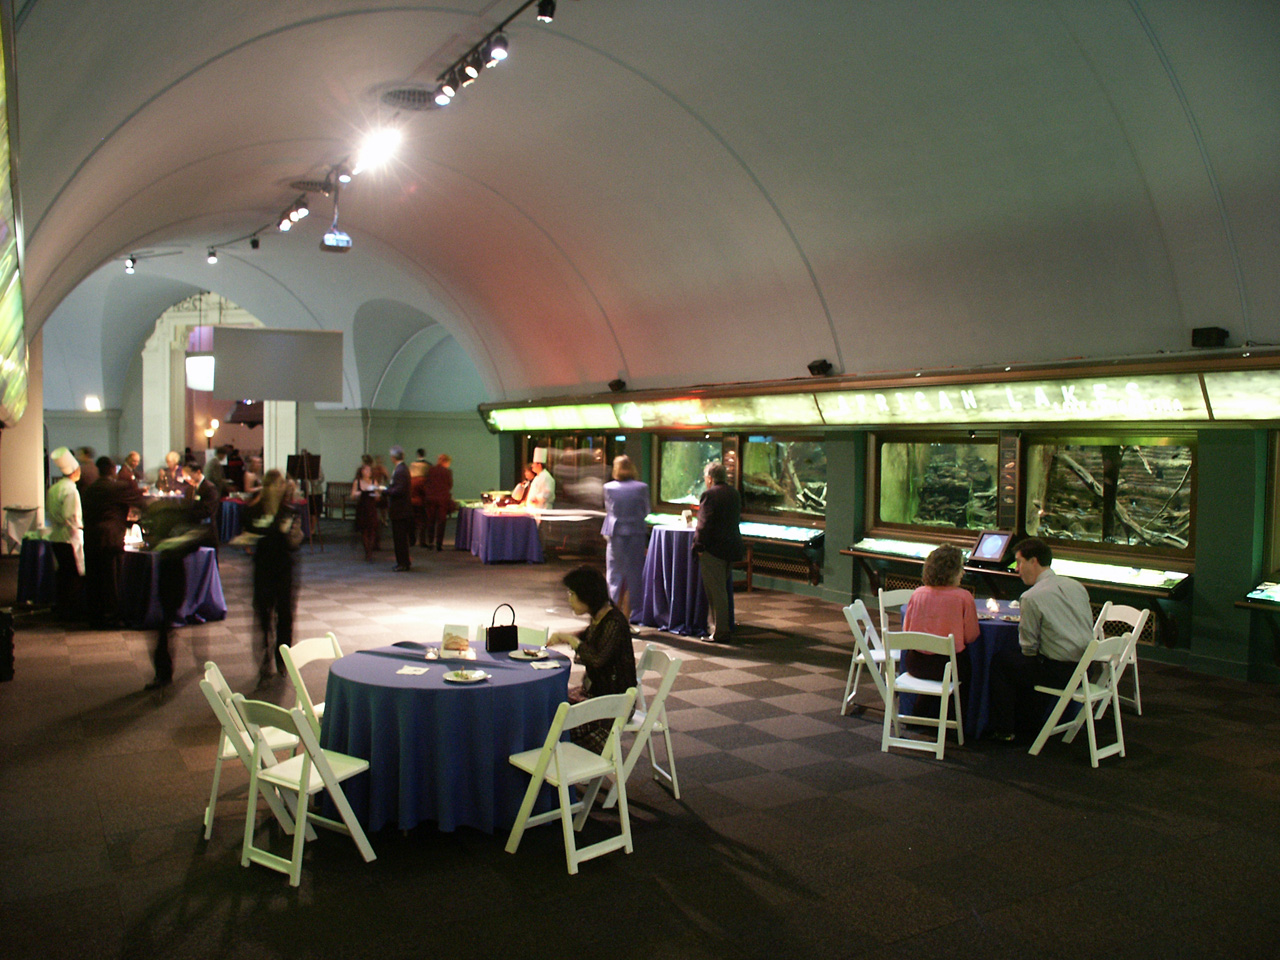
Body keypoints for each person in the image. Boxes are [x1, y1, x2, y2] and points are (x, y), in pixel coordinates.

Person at [986, 538, 1095, 741]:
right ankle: (1030, 722)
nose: (1017, 569)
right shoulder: (1076, 586)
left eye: (1019, 562)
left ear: (1033, 561)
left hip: (1060, 672)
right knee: (1026, 663)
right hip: (1087, 669)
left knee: (1002, 662)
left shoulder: (1031, 597)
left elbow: (1028, 648)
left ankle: (1005, 729)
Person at [547, 565, 638, 753]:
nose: (569, 599)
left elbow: (597, 659)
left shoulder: (614, 622)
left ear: (588, 596)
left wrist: (572, 641)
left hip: (614, 704)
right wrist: (567, 637)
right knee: (552, 703)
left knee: (555, 719)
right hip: (598, 694)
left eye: (572, 594)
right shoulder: (601, 616)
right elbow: (591, 635)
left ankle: (560, 763)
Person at [900, 543, 980, 716]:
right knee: (969, 670)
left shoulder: (917, 594)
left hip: (915, 664)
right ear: (953, 571)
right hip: (949, 667)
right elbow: (971, 636)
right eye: (961, 568)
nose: (963, 572)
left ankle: (920, 714)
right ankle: (958, 719)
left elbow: (907, 631)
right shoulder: (964, 598)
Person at [246, 470, 302, 681]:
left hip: (284, 569)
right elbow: (248, 532)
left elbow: (294, 542)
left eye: (282, 484)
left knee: (285, 615)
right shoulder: (255, 510)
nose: (280, 488)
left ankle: (282, 659)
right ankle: (264, 658)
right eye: (276, 484)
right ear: (267, 486)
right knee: (263, 615)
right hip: (263, 569)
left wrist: (296, 536)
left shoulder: (288, 511)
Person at [81, 455, 144, 626]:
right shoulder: (118, 487)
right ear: (112, 469)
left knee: (95, 578)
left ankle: (95, 615)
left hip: (91, 538)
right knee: (111, 580)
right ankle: (111, 617)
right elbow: (139, 502)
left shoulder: (90, 489)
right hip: (111, 539)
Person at [692, 460, 744, 643]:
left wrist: (698, 547)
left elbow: (704, 524)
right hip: (731, 548)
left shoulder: (709, 495)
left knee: (716, 592)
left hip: (714, 550)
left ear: (710, 478)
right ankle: (722, 627)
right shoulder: (734, 493)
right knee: (723, 589)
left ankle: (720, 631)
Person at [601, 454, 650, 622]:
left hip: (616, 536)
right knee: (633, 578)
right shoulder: (642, 487)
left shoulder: (608, 488)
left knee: (614, 576)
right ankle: (627, 618)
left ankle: (613, 618)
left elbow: (609, 510)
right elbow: (646, 510)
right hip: (636, 535)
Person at [45, 447, 85, 620]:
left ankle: (61, 606)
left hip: (56, 536)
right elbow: (72, 516)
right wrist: (81, 527)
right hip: (69, 537)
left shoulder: (54, 488)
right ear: (75, 471)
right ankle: (71, 610)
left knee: (62, 574)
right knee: (73, 575)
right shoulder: (71, 490)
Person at [385, 445, 413, 571]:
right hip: (401, 509)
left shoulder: (400, 470)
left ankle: (402, 563)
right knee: (400, 538)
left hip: (400, 509)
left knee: (399, 538)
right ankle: (403, 562)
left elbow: (399, 490)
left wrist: (386, 491)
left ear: (393, 457)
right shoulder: (402, 468)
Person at [351, 460, 382, 560]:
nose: (368, 472)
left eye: (370, 470)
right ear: (362, 471)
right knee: (364, 530)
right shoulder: (357, 482)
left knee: (372, 530)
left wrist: (376, 494)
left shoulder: (374, 482)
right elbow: (352, 496)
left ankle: (370, 551)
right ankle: (367, 551)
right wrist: (357, 494)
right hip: (362, 508)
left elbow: (378, 497)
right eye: (366, 470)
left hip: (371, 507)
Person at [423, 454, 454, 551]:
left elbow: (426, 483)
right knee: (441, 522)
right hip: (442, 499)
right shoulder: (447, 472)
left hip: (430, 499)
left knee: (431, 520)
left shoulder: (431, 470)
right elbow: (450, 485)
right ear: (446, 462)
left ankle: (430, 541)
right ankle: (439, 544)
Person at [409, 455, 429, 546]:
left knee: (412, 522)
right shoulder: (422, 480)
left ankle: (411, 540)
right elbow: (425, 492)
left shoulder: (410, 480)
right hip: (420, 503)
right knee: (423, 523)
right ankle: (422, 541)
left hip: (410, 502)